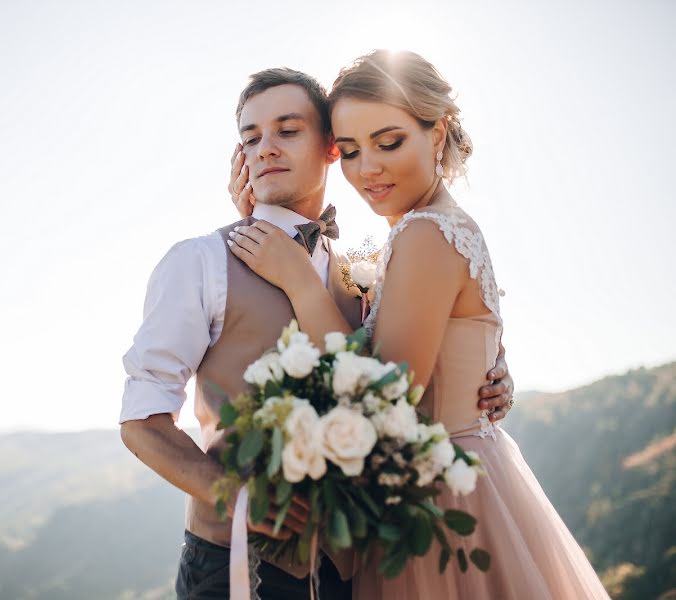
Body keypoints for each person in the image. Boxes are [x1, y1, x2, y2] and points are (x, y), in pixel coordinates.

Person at [225, 50, 608, 599]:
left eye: (389, 142)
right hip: (465, 472)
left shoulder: (425, 233)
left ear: (437, 132)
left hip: (439, 498)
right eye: (351, 151)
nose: (368, 170)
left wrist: (299, 280)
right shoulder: (438, 225)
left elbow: (388, 397)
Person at [120, 67, 513, 600]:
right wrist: (237, 496)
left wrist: (490, 376)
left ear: (332, 147)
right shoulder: (201, 261)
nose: (265, 148)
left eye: (287, 130)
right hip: (237, 563)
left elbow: (413, 358)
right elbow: (141, 421)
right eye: (251, 137)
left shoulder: (364, 270)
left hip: (358, 565)